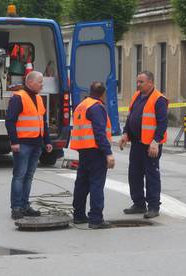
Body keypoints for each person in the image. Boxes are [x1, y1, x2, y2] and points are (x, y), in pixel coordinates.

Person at [119, 71, 168, 219]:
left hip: (150, 145)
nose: (138, 84)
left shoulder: (159, 99)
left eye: (141, 82)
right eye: (137, 82)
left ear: (151, 83)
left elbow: (162, 123)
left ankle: (153, 206)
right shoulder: (137, 96)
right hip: (137, 143)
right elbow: (130, 117)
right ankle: (139, 204)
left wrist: (156, 141)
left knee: (151, 175)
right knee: (134, 174)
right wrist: (125, 133)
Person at [5, 71, 53, 220]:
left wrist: (47, 141)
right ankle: (17, 208)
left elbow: (42, 122)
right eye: (40, 82)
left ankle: (25, 206)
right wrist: (14, 142)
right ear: (30, 82)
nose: (42, 85)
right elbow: (10, 121)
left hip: (36, 143)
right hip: (23, 144)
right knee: (19, 175)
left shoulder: (39, 99)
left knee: (29, 176)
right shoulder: (19, 97)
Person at [70, 82, 115, 229]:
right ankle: (96, 219)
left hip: (83, 150)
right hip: (96, 151)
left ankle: (79, 215)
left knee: (82, 184)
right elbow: (99, 132)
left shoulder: (82, 105)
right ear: (103, 94)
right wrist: (108, 153)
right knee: (96, 184)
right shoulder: (97, 107)